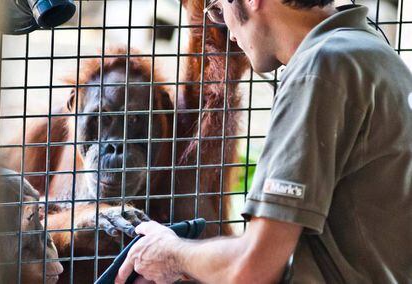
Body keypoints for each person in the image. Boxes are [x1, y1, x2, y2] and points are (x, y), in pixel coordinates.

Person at [115, 0, 412, 283]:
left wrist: (172, 254)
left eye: (219, 10)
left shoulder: (321, 68)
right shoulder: (376, 54)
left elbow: (253, 269)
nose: (229, 34)